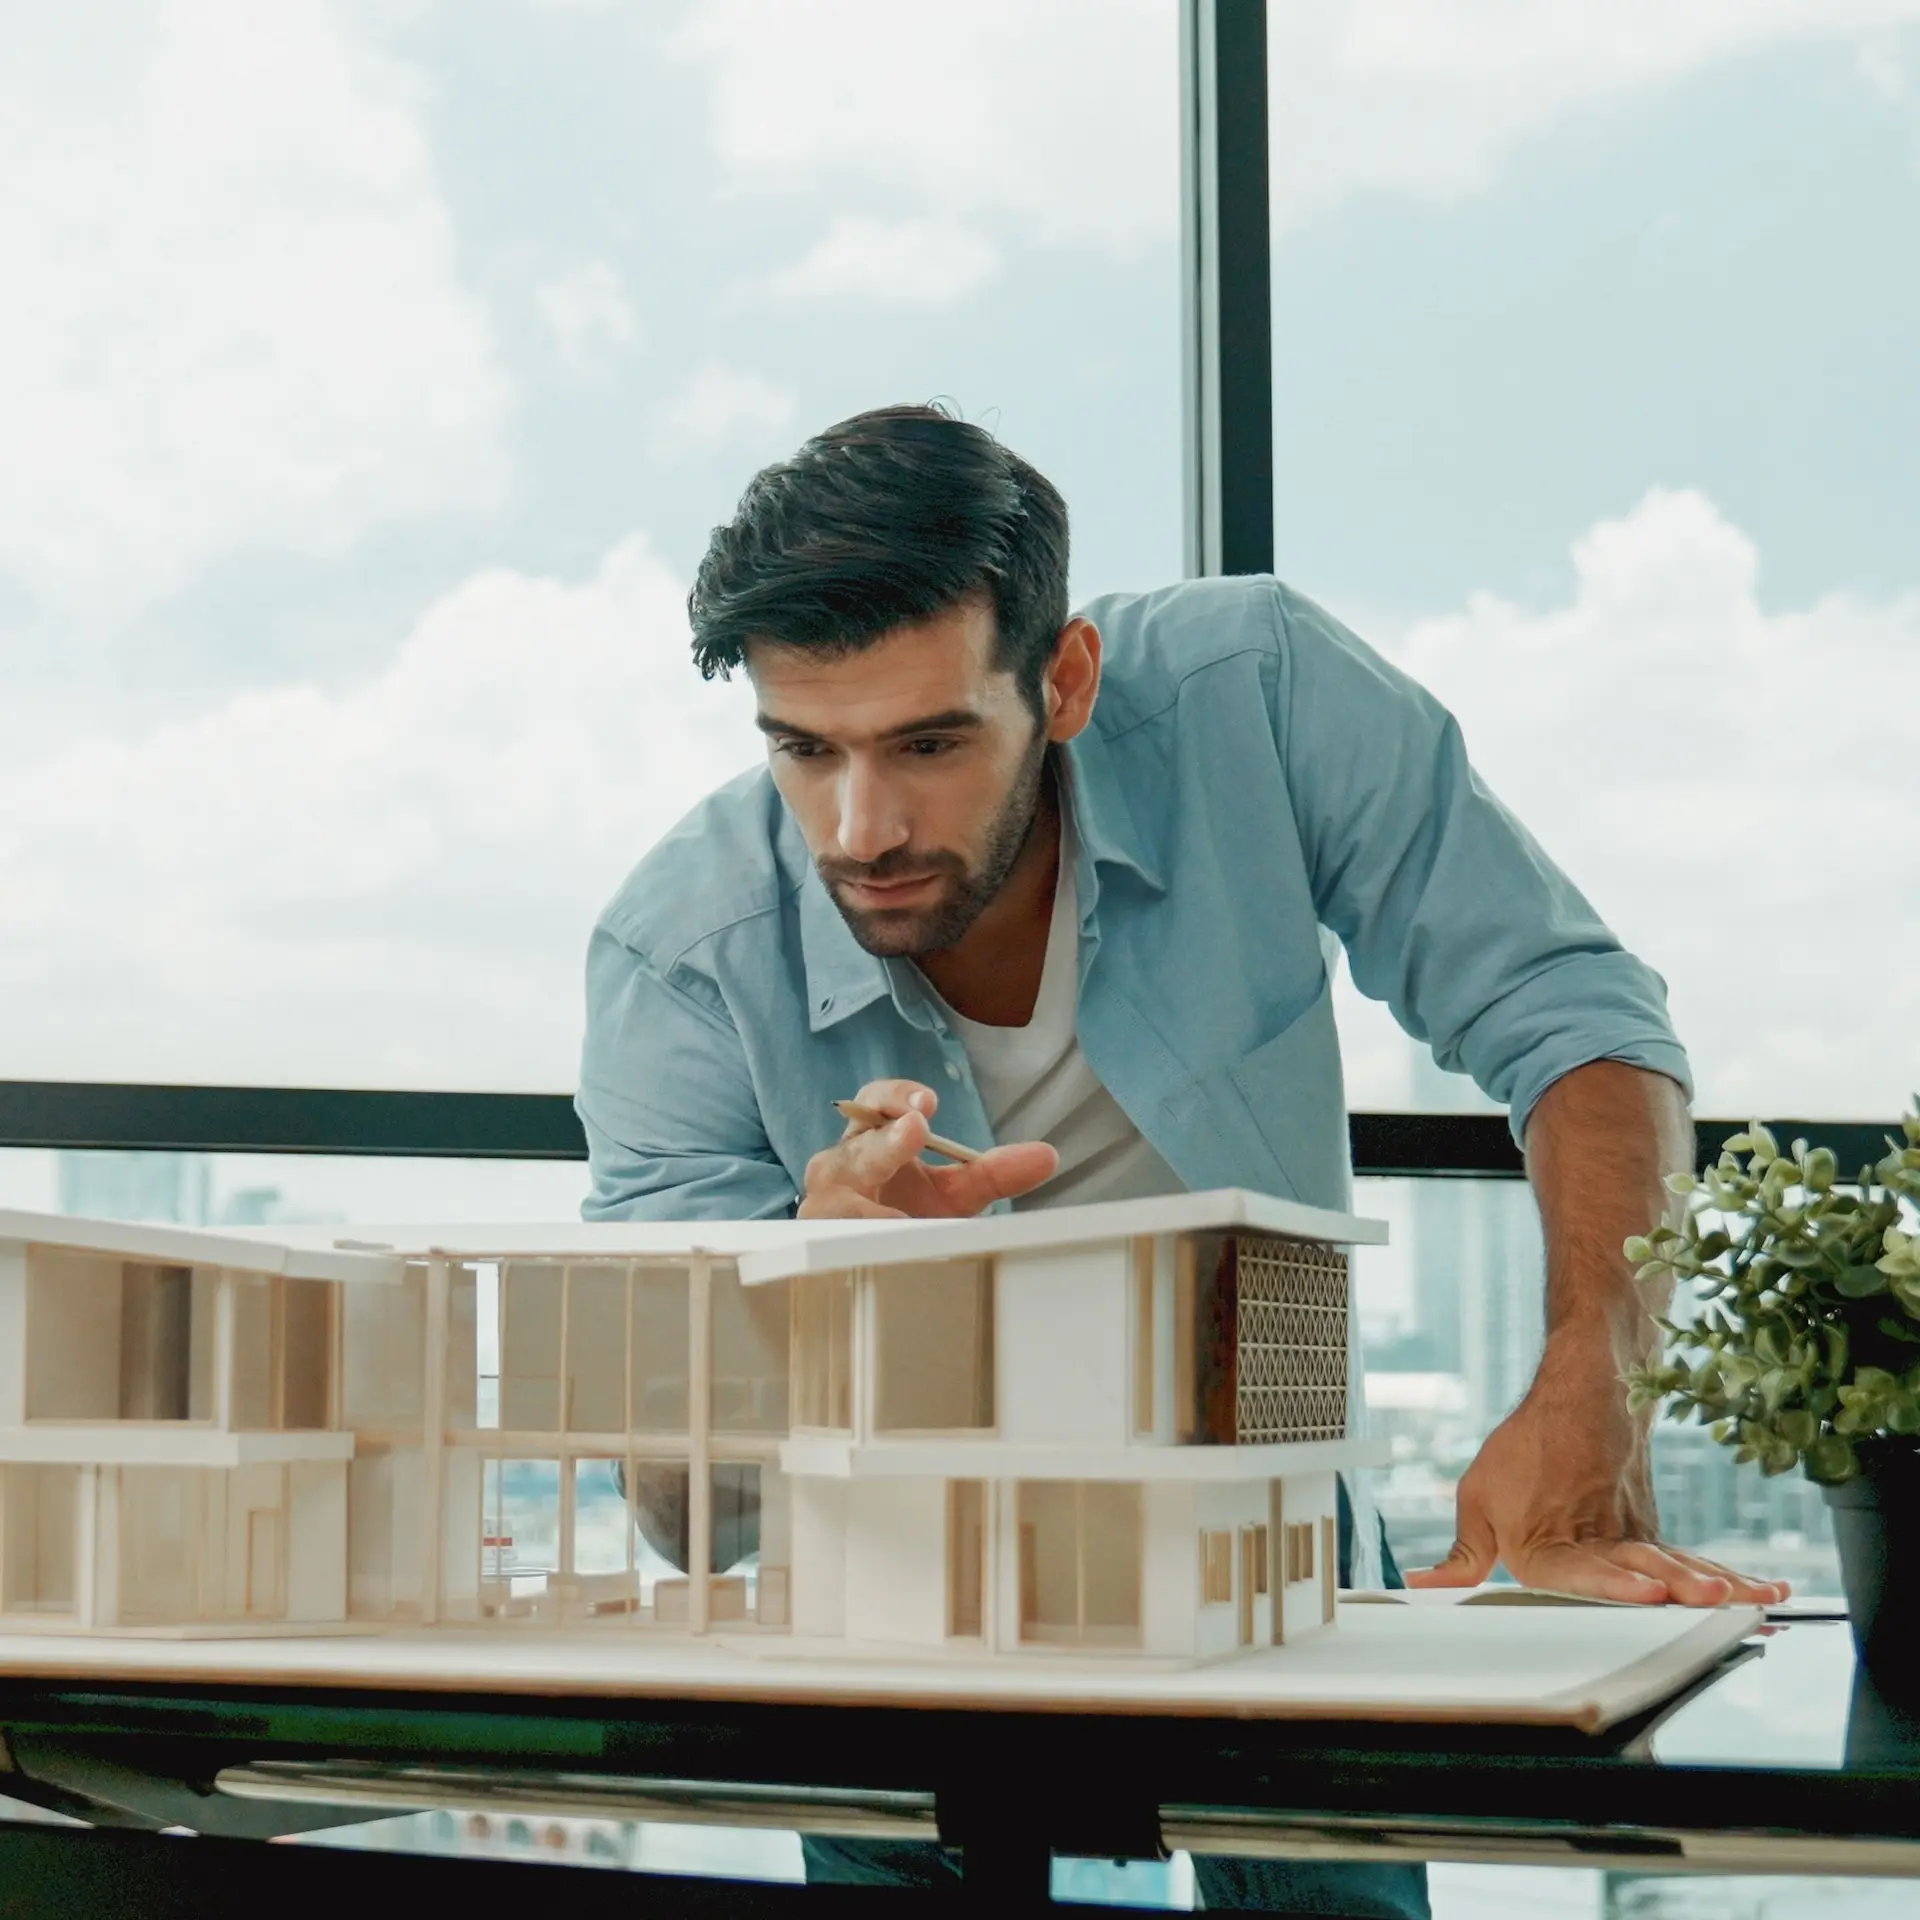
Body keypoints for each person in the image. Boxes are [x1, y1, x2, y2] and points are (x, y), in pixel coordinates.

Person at [576, 404, 1783, 1916]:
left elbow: (1575, 1012)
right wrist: (803, 1286)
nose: (861, 825)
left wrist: (1590, 1388)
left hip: (1270, 1514)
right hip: (891, 1573)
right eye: (802, 752)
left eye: (930, 743)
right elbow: (683, 1521)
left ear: (1065, 680)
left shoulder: (1256, 694)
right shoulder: (678, 954)